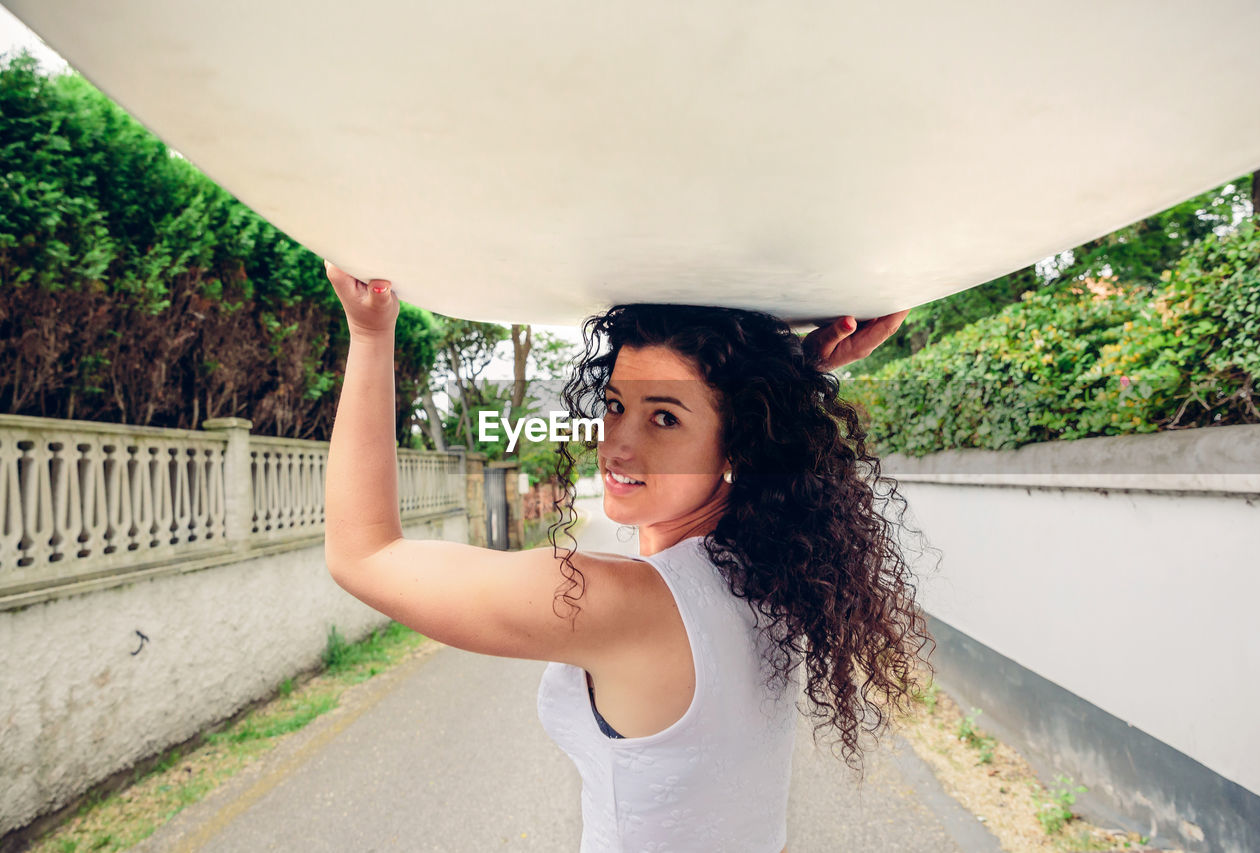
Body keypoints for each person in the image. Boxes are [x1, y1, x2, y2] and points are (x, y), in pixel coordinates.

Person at [323, 262, 929, 853]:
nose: (617, 446)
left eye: (664, 417)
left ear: (740, 441)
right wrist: (784, 381)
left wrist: (372, 333)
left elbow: (364, 552)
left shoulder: (615, 602)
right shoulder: (764, 569)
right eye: (616, 405)